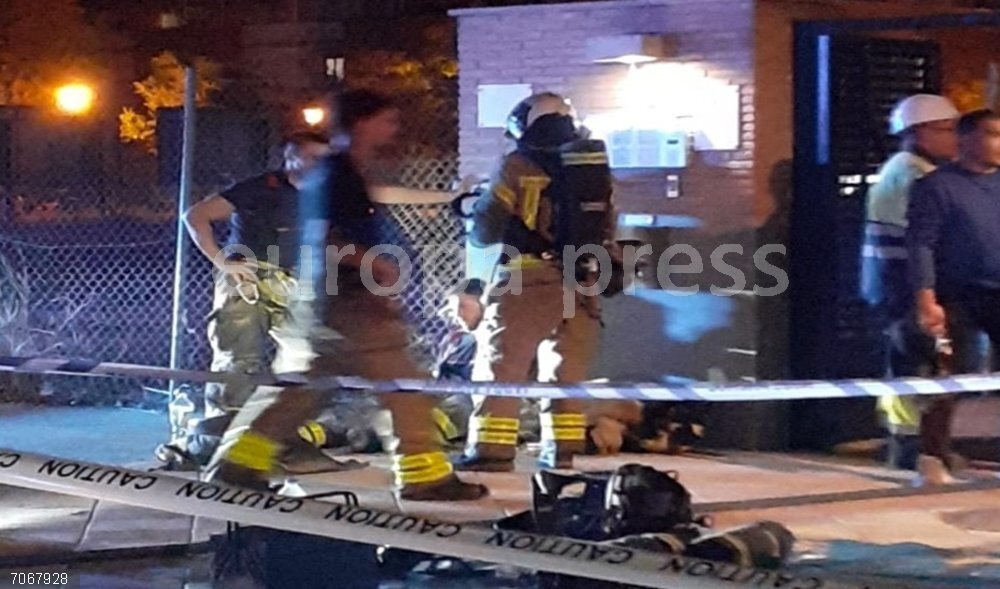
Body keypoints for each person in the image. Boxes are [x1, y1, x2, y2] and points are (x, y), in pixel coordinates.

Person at [206, 89, 487, 501]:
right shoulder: (339, 173)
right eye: (386, 120)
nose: (393, 129)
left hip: (328, 304)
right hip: (350, 307)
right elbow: (327, 239)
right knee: (405, 390)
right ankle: (424, 478)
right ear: (362, 122)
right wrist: (376, 266)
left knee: (295, 394)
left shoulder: (338, 171)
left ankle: (235, 467)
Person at [456, 92, 622, 472]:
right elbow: (608, 225)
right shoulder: (594, 171)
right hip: (582, 281)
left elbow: (485, 228)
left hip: (526, 280)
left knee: (502, 368)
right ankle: (561, 451)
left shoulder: (516, 164)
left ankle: (490, 452)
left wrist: (472, 214)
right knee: (566, 372)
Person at [157, 132, 331, 467]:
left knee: (308, 353)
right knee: (240, 354)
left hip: (292, 279)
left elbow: (380, 196)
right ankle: (221, 438)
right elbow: (196, 216)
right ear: (291, 158)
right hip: (248, 273)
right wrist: (221, 261)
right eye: (312, 157)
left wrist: (448, 195)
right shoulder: (259, 187)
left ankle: (279, 433)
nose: (319, 166)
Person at [860, 94, 961, 472]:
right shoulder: (915, 174)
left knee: (913, 363)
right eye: (947, 129)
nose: (955, 138)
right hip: (904, 287)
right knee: (915, 365)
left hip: (895, 285)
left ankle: (911, 446)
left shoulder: (905, 169)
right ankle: (909, 450)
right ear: (919, 133)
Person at [907, 108, 1000, 484]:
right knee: (948, 376)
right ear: (966, 139)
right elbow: (921, 244)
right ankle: (932, 456)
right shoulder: (936, 186)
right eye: (992, 135)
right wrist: (925, 297)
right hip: (954, 294)